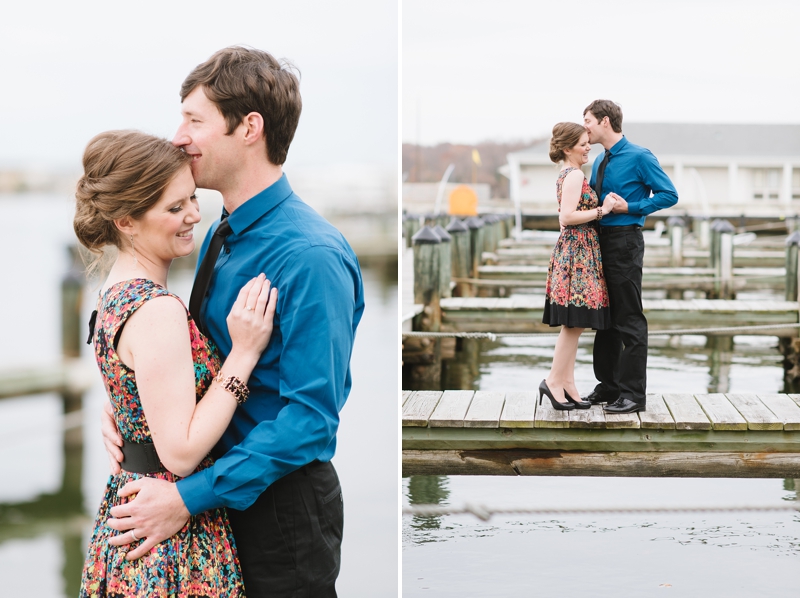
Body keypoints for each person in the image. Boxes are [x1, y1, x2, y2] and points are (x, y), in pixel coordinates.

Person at [100, 47, 364, 596]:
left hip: (278, 514)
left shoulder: (310, 255)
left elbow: (312, 420)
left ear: (249, 127)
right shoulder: (219, 232)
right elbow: (187, 355)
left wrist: (186, 498)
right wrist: (134, 407)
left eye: (194, 120)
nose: (178, 136)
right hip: (209, 503)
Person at [75, 130, 278, 596]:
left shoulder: (113, 293)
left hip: (130, 515)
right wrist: (243, 356)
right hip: (168, 533)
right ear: (126, 221)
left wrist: (126, 421)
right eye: (173, 208)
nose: (192, 215)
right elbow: (181, 453)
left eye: (191, 198)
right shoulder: (156, 308)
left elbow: (137, 395)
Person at [582, 99, 678, 414]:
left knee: (629, 318)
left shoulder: (640, 156)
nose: (586, 128)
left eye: (588, 121)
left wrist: (631, 207)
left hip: (625, 241)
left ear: (605, 121)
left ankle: (633, 395)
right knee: (604, 320)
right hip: (599, 242)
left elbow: (669, 194)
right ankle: (608, 387)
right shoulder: (598, 161)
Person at [540, 122, 615, 410]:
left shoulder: (571, 174)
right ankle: (553, 382)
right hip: (577, 254)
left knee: (577, 323)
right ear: (568, 147)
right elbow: (567, 216)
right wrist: (601, 210)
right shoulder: (573, 176)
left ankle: (567, 382)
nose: (588, 147)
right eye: (584, 143)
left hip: (579, 250)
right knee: (574, 324)